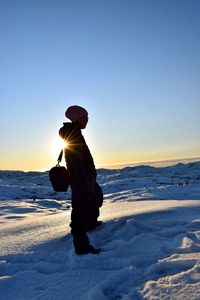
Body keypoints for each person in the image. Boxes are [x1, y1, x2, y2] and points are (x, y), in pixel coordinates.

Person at [59, 105, 103, 255]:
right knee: (78, 214)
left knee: (95, 200)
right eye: (85, 117)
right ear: (77, 119)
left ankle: (91, 224)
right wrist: (85, 182)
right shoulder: (73, 135)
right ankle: (81, 247)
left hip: (85, 179)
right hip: (81, 181)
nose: (87, 120)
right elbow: (77, 163)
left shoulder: (75, 133)